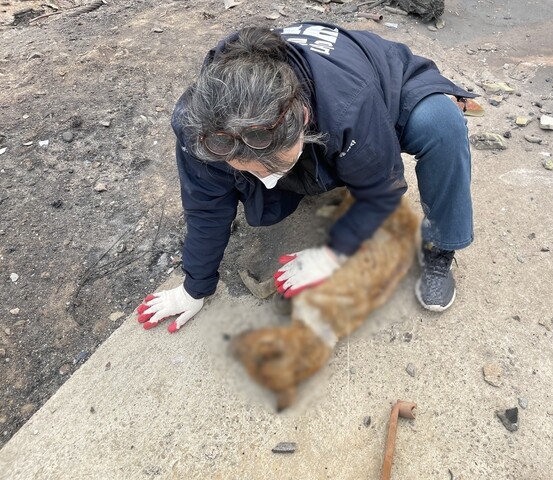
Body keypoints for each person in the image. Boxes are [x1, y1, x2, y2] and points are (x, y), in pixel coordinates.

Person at [136, 22, 475, 333]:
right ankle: (301, 172)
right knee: (261, 182)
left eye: (273, 169)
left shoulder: (349, 106)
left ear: (304, 118)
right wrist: (195, 286)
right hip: (307, 126)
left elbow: (381, 191)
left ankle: (440, 245)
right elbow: (205, 204)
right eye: (251, 170)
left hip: (383, 86)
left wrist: (330, 257)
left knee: (442, 124)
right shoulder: (200, 123)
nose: (265, 179)